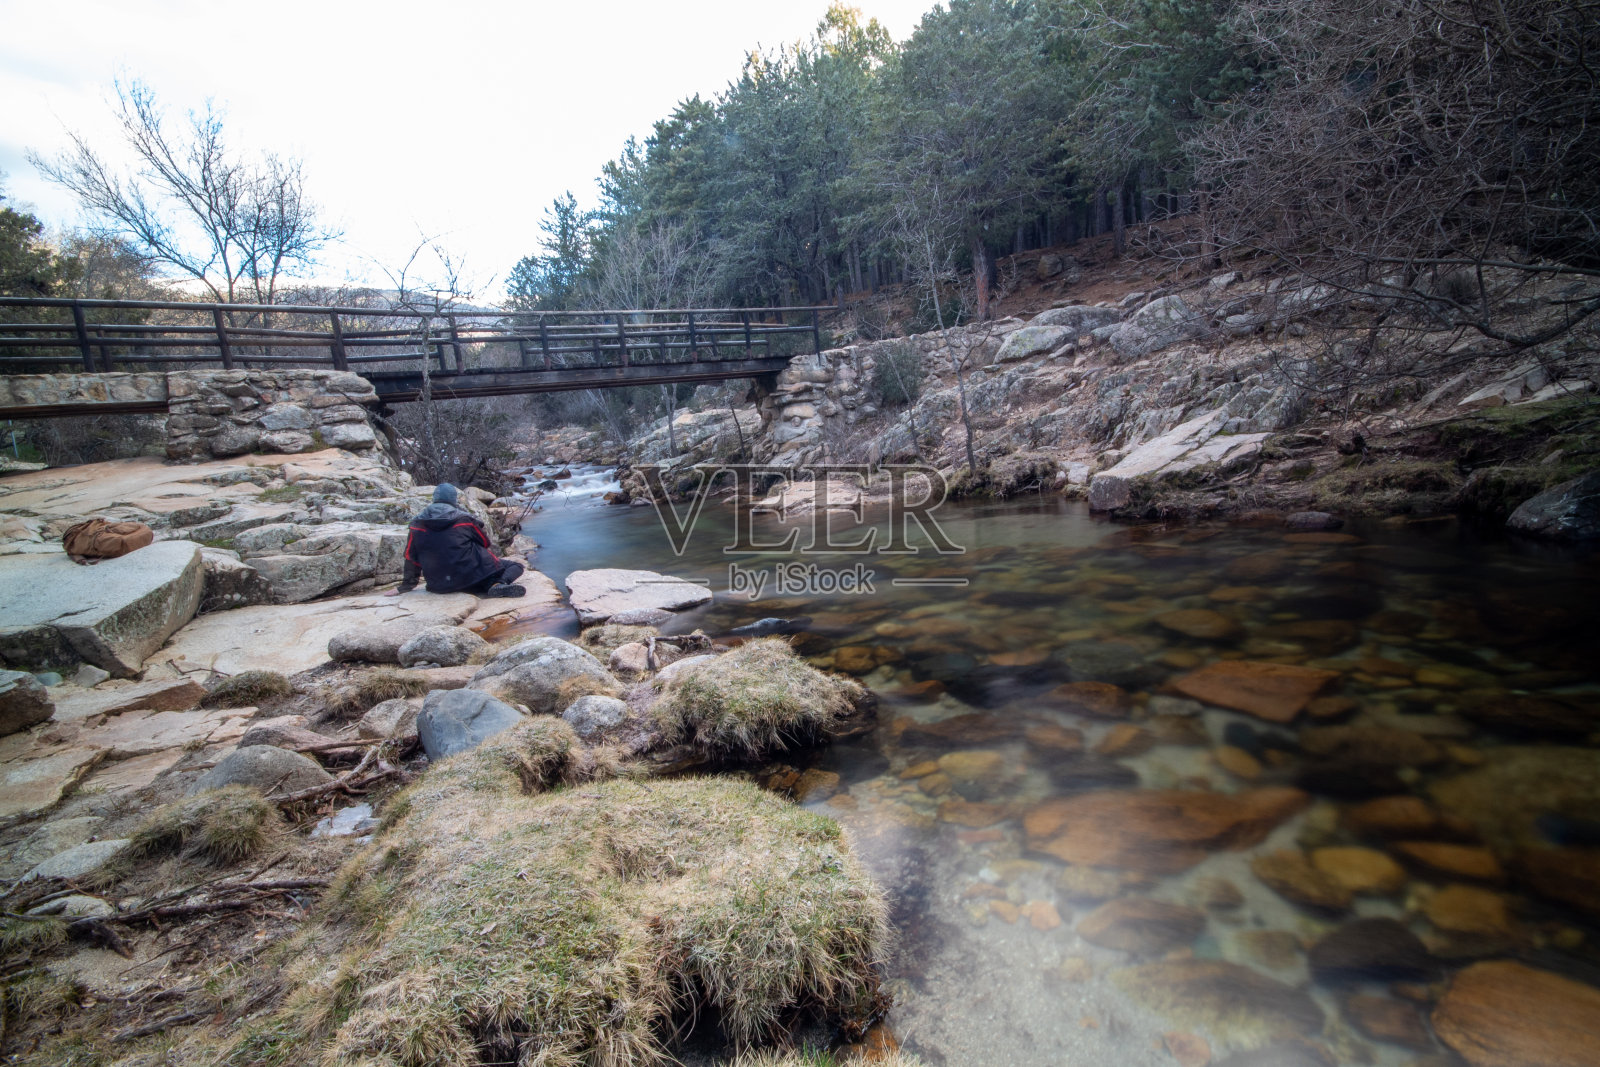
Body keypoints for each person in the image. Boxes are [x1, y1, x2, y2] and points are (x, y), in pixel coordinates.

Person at [388, 483, 526, 597]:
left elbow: (411, 558)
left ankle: (490, 585)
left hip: (439, 585)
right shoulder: (464, 520)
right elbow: (485, 542)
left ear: (434, 499)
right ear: (454, 499)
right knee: (516, 566)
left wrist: (406, 586)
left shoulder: (417, 525)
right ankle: (497, 584)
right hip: (472, 578)